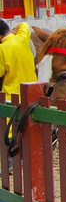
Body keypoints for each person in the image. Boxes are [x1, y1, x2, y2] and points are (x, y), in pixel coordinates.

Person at [1, 20, 38, 174]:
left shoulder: (3, 49)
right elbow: (24, 24)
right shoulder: (22, 38)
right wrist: (15, 31)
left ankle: (10, 165)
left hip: (12, 94)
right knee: (27, 128)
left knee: (10, 130)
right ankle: (26, 160)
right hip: (31, 93)